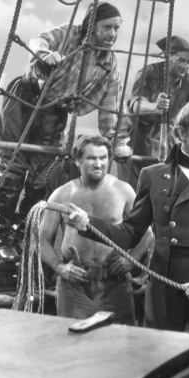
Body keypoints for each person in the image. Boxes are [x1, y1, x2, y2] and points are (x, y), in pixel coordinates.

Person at [65, 101, 189, 343]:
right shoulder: (152, 175)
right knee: (157, 352)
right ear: (181, 133)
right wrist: (89, 224)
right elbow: (130, 233)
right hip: (164, 283)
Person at [0, 1, 126, 262]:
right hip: (25, 99)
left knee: (40, 181)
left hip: (55, 113)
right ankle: (3, 240)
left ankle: (21, 235)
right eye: (107, 27)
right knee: (13, 170)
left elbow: (109, 109)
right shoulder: (70, 35)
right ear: (92, 26)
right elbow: (39, 40)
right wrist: (44, 54)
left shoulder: (110, 64)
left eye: (116, 28)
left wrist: (118, 141)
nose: (112, 34)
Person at [39, 135, 152, 325]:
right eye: (92, 158)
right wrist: (59, 267)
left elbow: (147, 234)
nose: (98, 164)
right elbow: (41, 240)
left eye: (103, 158)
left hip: (115, 282)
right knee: (73, 338)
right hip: (74, 283)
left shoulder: (123, 191)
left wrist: (129, 260)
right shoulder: (62, 194)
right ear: (78, 160)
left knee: (119, 338)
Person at [120, 31, 189, 188]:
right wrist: (155, 106)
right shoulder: (149, 72)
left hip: (167, 144)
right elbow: (136, 105)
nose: (185, 66)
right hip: (139, 143)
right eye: (181, 60)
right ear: (168, 57)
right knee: (135, 191)